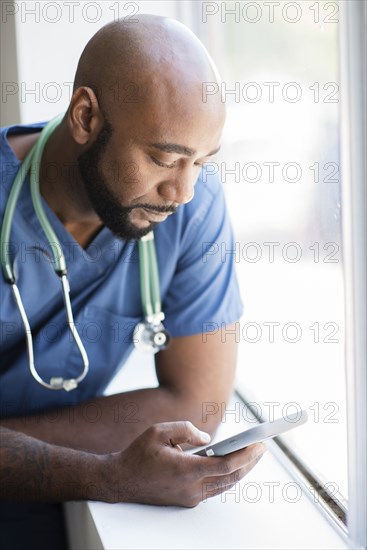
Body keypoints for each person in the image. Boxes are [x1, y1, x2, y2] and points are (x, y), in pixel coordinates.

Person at [0, 15, 265, 549]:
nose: (183, 191)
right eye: (164, 158)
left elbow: (197, 403)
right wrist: (110, 475)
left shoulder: (192, 208)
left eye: (201, 162)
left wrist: (20, 455)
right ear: (86, 116)